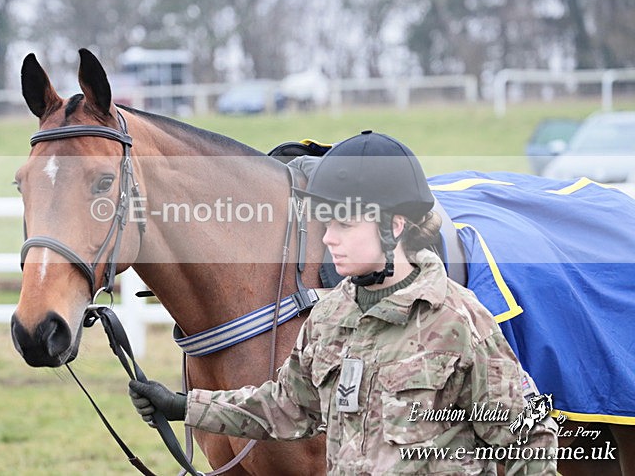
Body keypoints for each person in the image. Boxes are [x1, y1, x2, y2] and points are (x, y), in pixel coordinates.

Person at [129, 131, 558, 475]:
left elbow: (529, 439)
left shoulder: (457, 319)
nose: (329, 238)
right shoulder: (331, 316)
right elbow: (287, 408)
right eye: (327, 223)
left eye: (346, 224)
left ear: (395, 224)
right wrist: (185, 406)